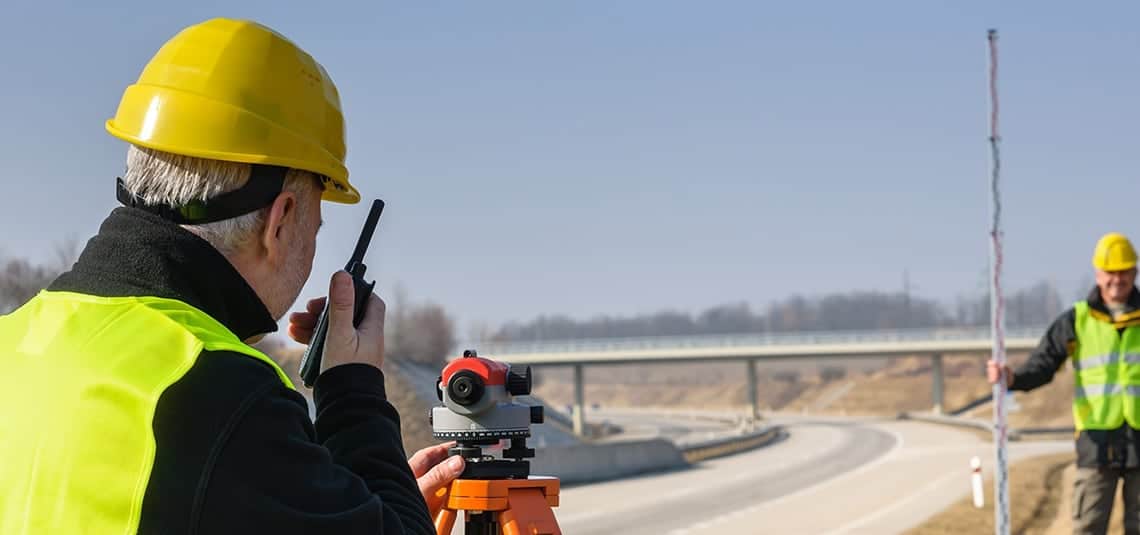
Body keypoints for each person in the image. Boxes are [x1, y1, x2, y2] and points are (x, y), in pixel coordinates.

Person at [0, 18, 462, 534]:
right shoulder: (222, 399)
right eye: (316, 224)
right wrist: (352, 393)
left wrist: (351, 510)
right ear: (281, 220)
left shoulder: (12, 343)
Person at [989, 232, 1140, 535]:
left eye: (1124, 271)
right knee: (1087, 527)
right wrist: (1012, 378)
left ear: (1134, 272)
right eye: (1110, 272)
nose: (1117, 279)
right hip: (1096, 443)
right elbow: (1044, 365)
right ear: (1098, 273)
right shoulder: (1076, 321)